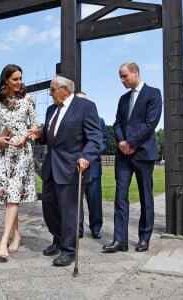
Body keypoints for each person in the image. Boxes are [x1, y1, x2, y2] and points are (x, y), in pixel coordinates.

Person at [40, 75, 102, 267]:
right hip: (51, 166)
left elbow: (94, 137)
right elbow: (52, 136)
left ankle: (69, 250)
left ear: (65, 90)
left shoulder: (86, 107)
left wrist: (86, 156)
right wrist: (39, 135)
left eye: (52, 90)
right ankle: (58, 239)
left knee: (69, 211)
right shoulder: (51, 109)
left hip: (72, 167)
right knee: (49, 208)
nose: (50, 94)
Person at [103, 62, 162, 253]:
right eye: (120, 77)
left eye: (124, 76)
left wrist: (131, 143)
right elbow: (118, 123)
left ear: (135, 73)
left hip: (143, 153)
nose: (122, 80)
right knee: (120, 197)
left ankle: (144, 238)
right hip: (123, 156)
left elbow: (150, 123)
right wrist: (121, 142)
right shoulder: (123, 99)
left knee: (146, 197)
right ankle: (120, 240)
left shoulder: (153, 94)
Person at [0, 64, 40, 261]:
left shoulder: (28, 99)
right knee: (10, 195)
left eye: (20, 78)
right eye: (15, 79)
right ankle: (17, 235)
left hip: (22, 152)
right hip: (3, 152)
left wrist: (26, 136)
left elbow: (35, 125)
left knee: (14, 195)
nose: (19, 82)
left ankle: (4, 240)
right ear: (6, 81)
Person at [76, 92, 109, 239]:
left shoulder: (99, 121)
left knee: (95, 200)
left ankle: (96, 228)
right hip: (76, 166)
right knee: (76, 200)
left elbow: (103, 142)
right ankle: (78, 229)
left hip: (93, 166)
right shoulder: (72, 121)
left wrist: (90, 155)